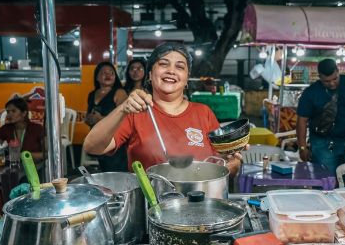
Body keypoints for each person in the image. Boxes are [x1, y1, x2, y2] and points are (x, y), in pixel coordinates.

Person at [83, 42, 242, 175]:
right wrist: (123, 108)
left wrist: (232, 162)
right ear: (150, 75)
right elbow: (92, 146)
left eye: (180, 67)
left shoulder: (203, 112)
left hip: (200, 202)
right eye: (163, 64)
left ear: (186, 79)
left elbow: (221, 161)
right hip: (150, 205)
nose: (171, 71)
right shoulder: (135, 113)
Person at [296, 58, 345, 176]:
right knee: (326, 180)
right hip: (322, 143)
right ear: (319, 76)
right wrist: (302, 147)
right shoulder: (311, 93)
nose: (332, 83)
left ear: (338, 71)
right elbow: (302, 120)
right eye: (326, 81)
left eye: (335, 79)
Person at [84, 61, 128, 172]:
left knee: (115, 172)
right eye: (104, 73)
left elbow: (125, 119)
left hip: (115, 141)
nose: (108, 75)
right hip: (99, 139)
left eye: (111, 73)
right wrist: (89, 119)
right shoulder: (92, 94)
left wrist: (100, 119)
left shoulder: (120, 92)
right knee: (103, 171)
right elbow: (88, 116)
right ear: (97, 77)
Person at [0, 97, 44, 163]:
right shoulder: (5, 129)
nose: (9, 115)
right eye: (8, 112)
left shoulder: (37, 128)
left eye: (13, 111)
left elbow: (47, 154)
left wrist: (23, 155)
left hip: (35, 167)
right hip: (13, 166)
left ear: (24, 113)